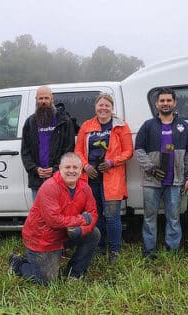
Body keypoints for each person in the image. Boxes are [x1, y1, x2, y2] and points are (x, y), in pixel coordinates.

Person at [9, 152, 99, 284]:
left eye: (75, 167)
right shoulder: (50, 187)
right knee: (47, 281)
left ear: (81, 171)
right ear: (60, 169)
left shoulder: (85, 187)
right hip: (43, 238)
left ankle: (74, 273)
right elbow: (54, 220)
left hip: (65, 233)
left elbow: (93, 214)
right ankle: (18, 264)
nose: (71, 171)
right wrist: (81, 220)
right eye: (67, 167)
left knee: (94, 233)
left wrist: (81, 231)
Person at [135, 88, 188, 259]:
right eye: (162, 101)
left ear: (174, 103)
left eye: (169, 100)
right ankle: (149, 251)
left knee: (174, 218)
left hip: (176, 181)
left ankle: (173, 250)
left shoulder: (183, 126)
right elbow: (138, 150)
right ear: (156, 104)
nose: (165, 103)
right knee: (149, 218)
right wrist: (151, 169)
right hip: (151, 181)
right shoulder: (148, 126)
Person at [75, 93, 133, 263]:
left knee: (112, 216)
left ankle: (115, 250)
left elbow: (128, 151)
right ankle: (99, 247)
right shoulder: (86, 126)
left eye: (107, 105)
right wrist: (85, 166)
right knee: (96, 214)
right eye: (101, 105)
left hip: (112, 178)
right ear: (95, 107)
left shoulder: (121, 126)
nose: (103, 108)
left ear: (111, 107)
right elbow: (78, 150)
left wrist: (111, 162)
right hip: (90, 178)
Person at [21, 86, 75, 200]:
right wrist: (35, 169)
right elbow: (25, 151)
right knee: (39, 214)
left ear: (52, 99)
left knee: (59, 214)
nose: (44, 101)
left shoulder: (64, 121)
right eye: (40, 98)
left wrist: (55, 169)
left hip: (59, 178)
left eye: (46, 98)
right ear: (36, 100)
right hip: (37, 179)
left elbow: (69, 150)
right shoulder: (30, 123)